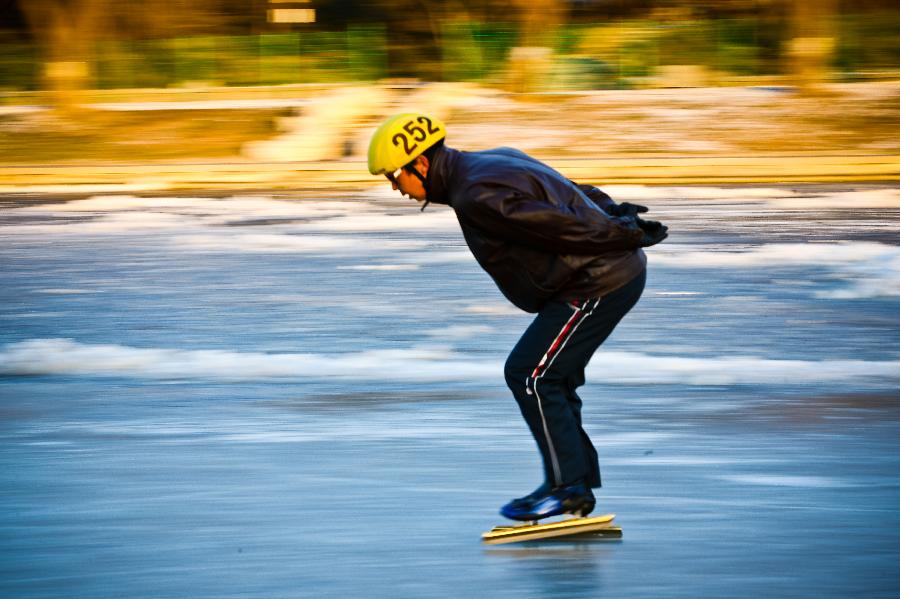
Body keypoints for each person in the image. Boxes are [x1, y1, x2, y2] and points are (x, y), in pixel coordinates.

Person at [368, 113, 667, 522]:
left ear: (419, 163)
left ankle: (568, 488)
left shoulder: (475, 192)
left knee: (531, 375)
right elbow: (572, 191)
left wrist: (623, 232)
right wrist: (618, 216)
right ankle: (572, 484)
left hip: (597, 279)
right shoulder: (492, 161)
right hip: (599, 273)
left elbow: (560, 224)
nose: (394, 188)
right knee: (550, 377)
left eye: (393, 176)